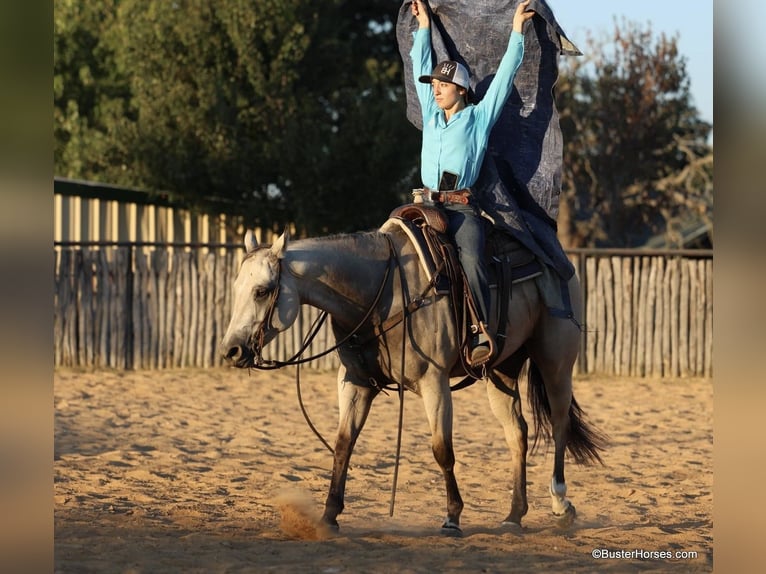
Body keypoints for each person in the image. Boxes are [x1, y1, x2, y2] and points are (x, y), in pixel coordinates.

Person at [410, 0, 535, 367]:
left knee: (471, 259)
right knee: (389, 246)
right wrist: (423, 26)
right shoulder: (431, 115)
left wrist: (516, 31)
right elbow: (420, 63)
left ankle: (479, 330)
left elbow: (505, 76)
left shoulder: (479, 118)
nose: (435, 89)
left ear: (461, 90)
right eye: (434, 84)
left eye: (443, 84)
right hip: (423, 203)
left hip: (460, 208)